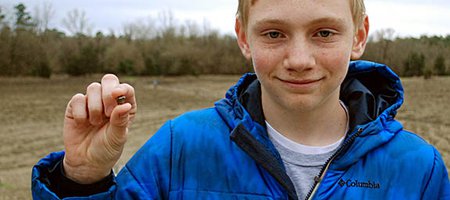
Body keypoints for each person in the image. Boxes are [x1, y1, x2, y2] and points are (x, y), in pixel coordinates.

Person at [32, 0, 450, 199]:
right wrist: (82, 178)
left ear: (358, 36)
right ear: (242, 37)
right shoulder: (180, 147)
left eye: (324, 33)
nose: (299, 60)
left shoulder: (419, 170)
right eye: (274, 34)